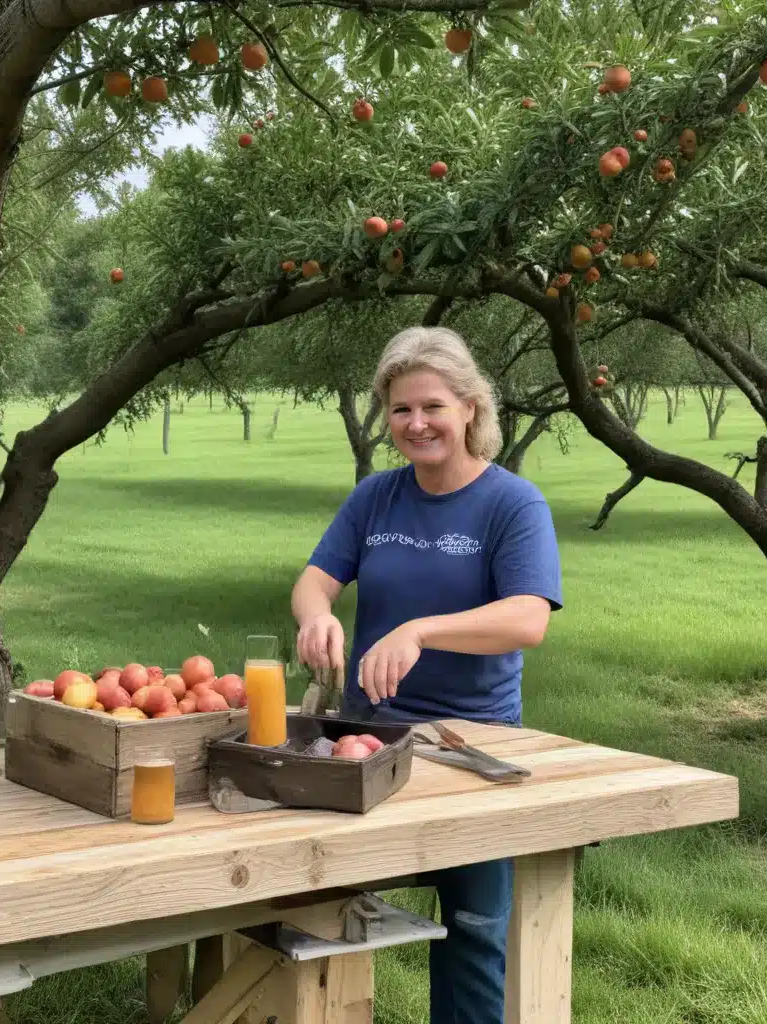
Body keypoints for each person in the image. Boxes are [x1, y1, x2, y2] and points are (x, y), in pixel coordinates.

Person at [290, 325, 562, 1024]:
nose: (416, 424)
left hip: (472, 746)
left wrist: (420, 629)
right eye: (402, 410)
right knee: (318, 912)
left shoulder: (512, 504)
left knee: (473, 929)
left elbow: (529, 618)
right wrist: (317, 615)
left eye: (433, 407)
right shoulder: (377, 498)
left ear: (471, 407)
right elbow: (315, 581)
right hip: (366, 741)